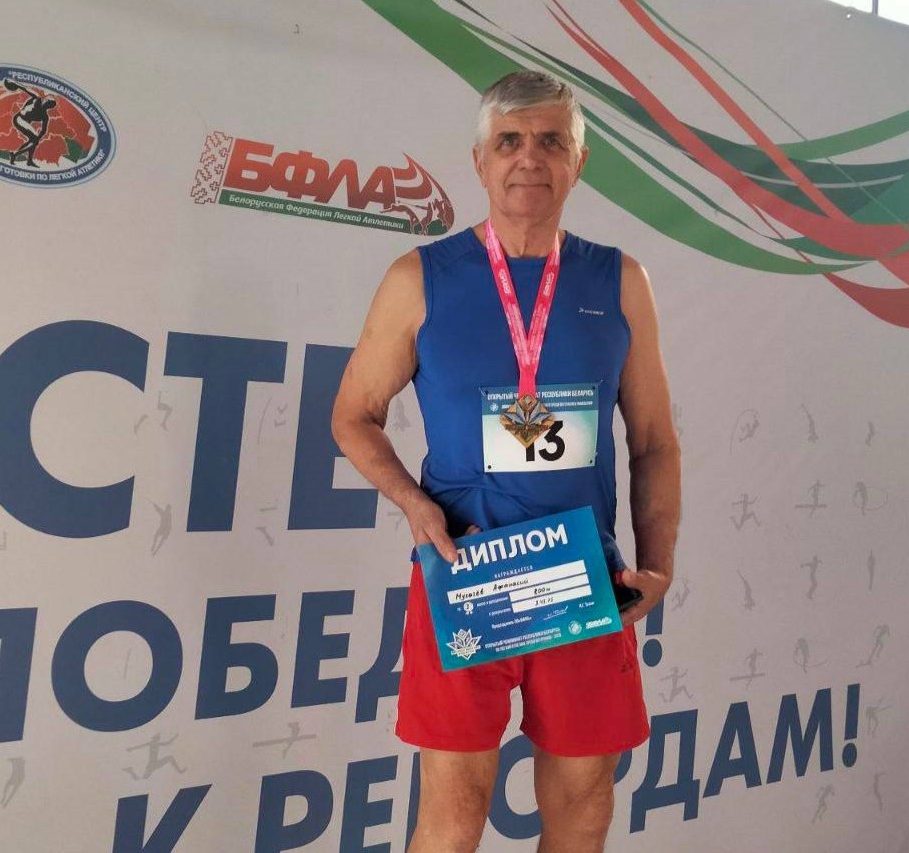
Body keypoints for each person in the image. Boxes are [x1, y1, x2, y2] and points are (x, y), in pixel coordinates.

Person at [332, 70, 680, 853]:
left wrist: (658, 563)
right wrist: (413, 503)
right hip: (466, 572)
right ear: (480, 161)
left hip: (582, 578)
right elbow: (352, 415)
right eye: (510, 141)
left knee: (583, 805)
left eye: (552, 140)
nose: (530, 157)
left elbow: (655, 439)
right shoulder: (420, 278)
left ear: (578, 161)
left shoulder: (620, 280)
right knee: (455, 813)